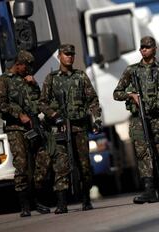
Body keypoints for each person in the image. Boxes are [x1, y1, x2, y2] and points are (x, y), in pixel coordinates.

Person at [113, 36, 159, 204]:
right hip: (139, 119)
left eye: (147, 47)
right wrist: (131, 95)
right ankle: (148, 190)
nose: (144, 49)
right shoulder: (132, 70)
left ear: (154, 49)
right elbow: (116, 93)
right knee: (144, 154)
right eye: (142, 47)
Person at [39, 44, 102, 213]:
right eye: (66, 54)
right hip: (59, 129)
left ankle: (86, 198)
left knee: (84, 166)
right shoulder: (51, 78)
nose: (70, 57)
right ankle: (62, 202)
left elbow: (93, 101)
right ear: (59, 56)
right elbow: (42, 103)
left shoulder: (80, 76)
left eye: (72, 54)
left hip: (79, 128)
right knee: (61, 165)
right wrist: (54, 116)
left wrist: (97, 121)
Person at [0, 50, 51, 217]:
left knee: (41, 161)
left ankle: (37, 198)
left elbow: (39, 100)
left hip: (33, 127)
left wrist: (34, 84)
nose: (28, 70)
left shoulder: (28, 79)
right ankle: (25, 205)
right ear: (18, 64)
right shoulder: (3, 81)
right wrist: (19, 115)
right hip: (16, 129)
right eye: (26, 67)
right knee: (22, 165)